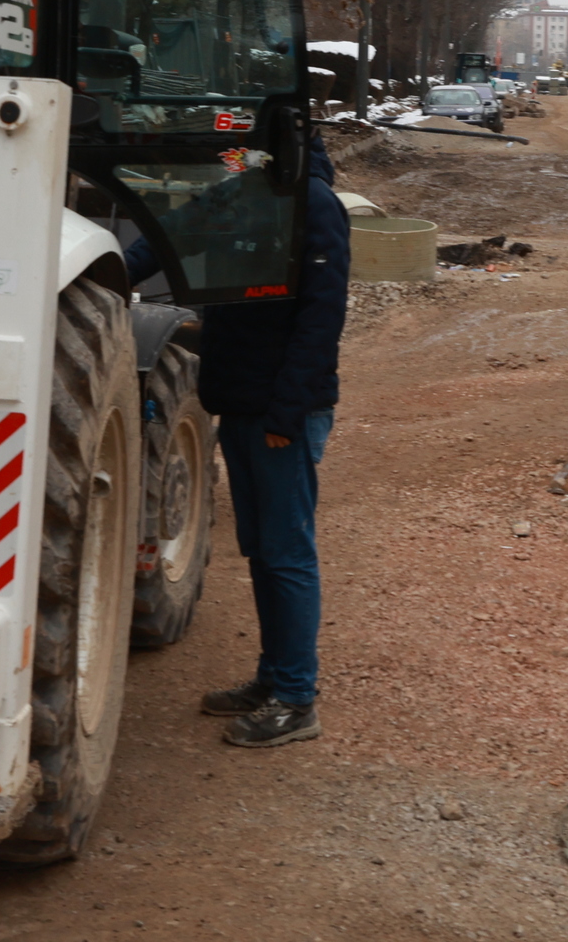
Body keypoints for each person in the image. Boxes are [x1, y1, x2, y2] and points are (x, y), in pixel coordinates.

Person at [175, 136, 350, 747]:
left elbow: (321, 322)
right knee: (263, 552)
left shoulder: (317, 205)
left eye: (248, 147)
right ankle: (273, 679)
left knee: (287, 553)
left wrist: (286, 413)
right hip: (244, 404)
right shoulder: (243, 195)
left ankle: (297, 699)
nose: (237, 157)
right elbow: (170, 236)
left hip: (281, 413)